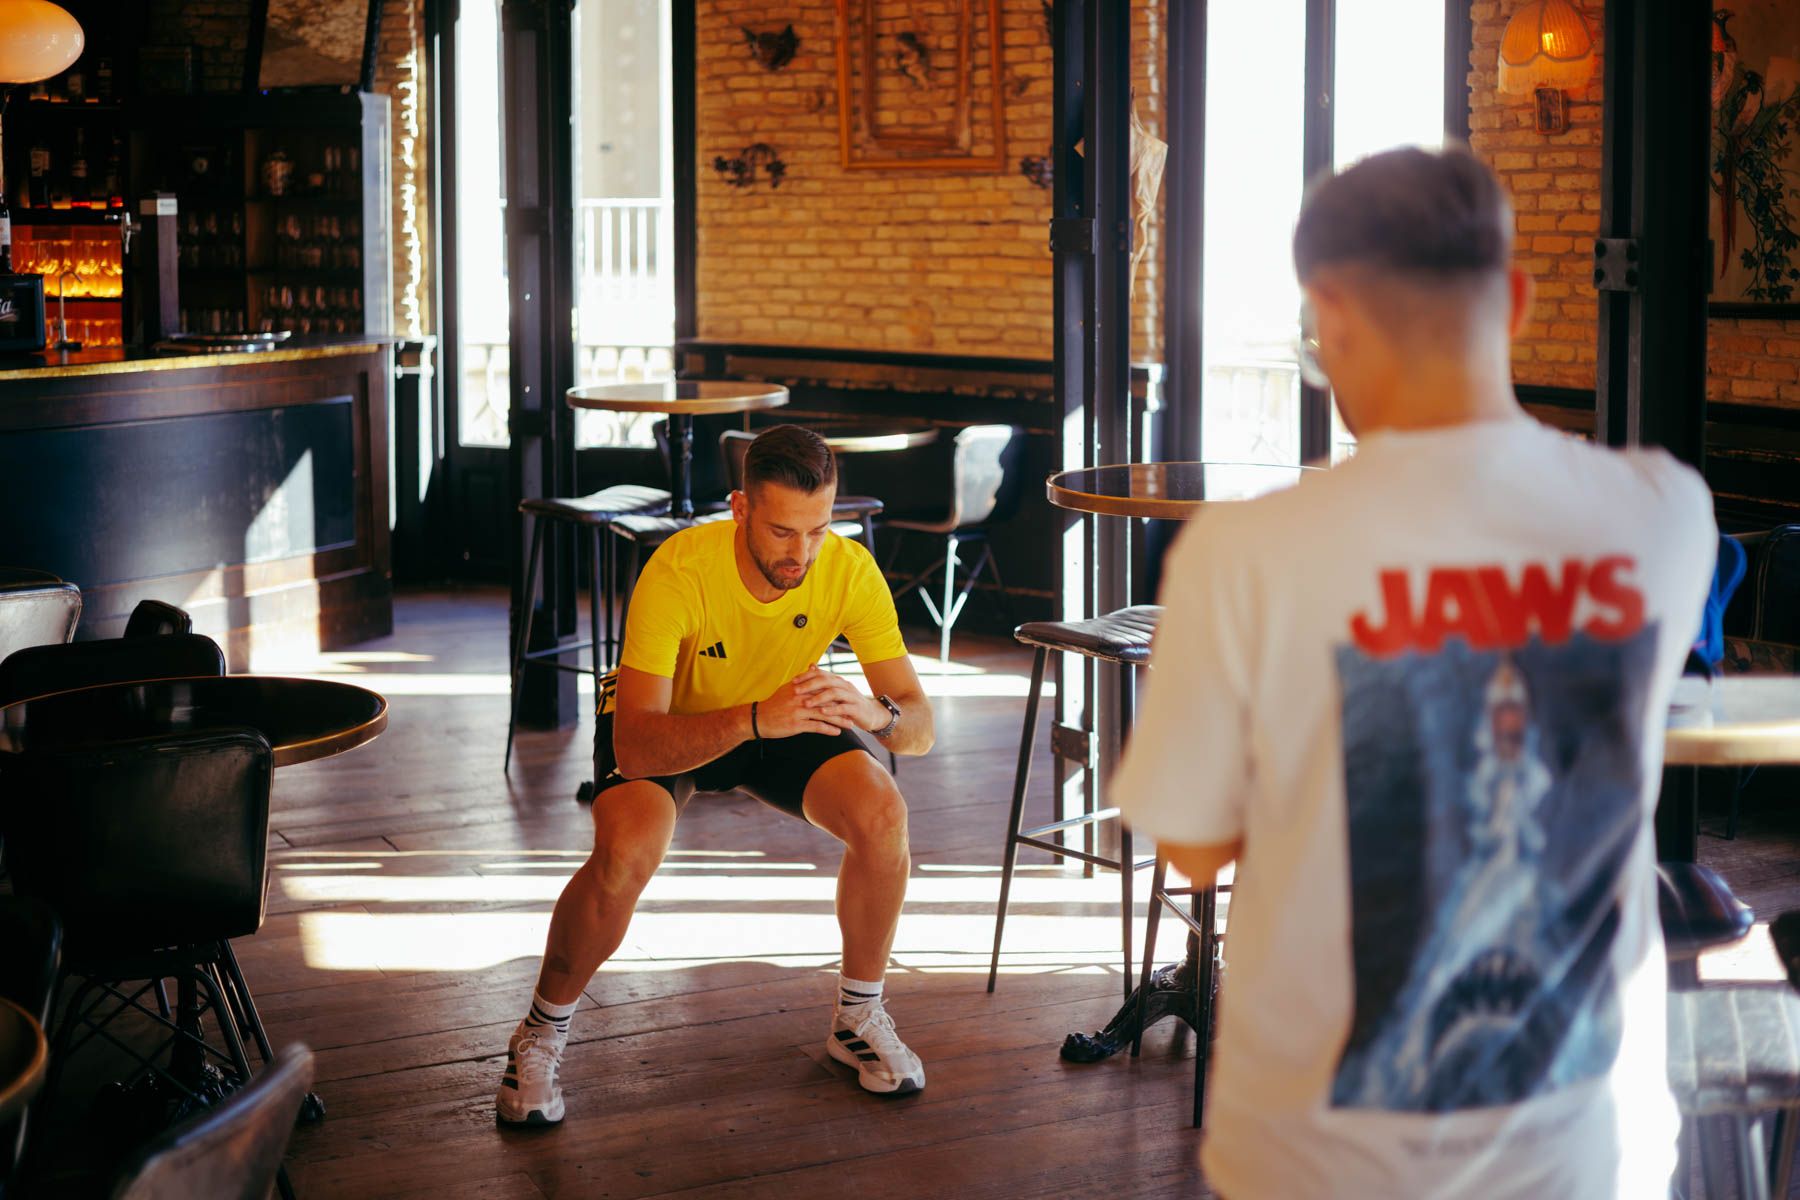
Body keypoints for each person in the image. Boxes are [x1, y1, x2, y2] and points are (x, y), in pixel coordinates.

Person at [1115, 146, 1715, 1198]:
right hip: (1590, 1144)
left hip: (1318, 1153)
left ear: (1329, 312)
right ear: (1518, 301)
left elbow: (1197, 847)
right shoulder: (1665, 514)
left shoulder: (1243, 554)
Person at [496, 424, 935, 1126]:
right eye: (784, 532)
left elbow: (920, 728)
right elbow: (637, 745)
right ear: (739, 509)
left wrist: (875, 714)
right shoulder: (680, 569)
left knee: (885, 817)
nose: (803, 553)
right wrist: (752, 718)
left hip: (780, 712)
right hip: (675, 722)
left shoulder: (848, 568)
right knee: (627, 850)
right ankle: (540, 1032)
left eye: (819, 530)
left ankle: (858, 1017)